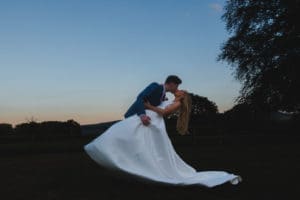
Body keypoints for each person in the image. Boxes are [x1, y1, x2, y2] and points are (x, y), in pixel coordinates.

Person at [84, 86, 242, 187]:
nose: (180, 89)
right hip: (148, 120)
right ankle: (126, 160)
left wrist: (147, 106)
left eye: (182, 91)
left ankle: (134, 165)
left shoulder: (177, 103)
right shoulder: (168, 100)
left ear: (182, 97)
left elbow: (164, 112)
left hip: (152, 121)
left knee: (141, 144)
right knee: (131, 139)